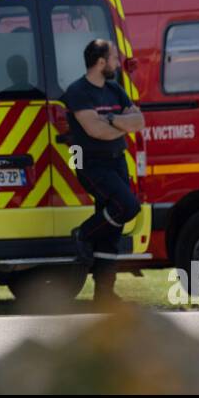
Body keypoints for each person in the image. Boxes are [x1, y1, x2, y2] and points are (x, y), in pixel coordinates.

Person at [63, 38, 146, 306]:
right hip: (90, 163)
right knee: (128, 206)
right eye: (113, 58)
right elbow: (94, 130)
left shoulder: (115, 89)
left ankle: (104, 294)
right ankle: (84, 234)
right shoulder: (77, 92)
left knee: (111, 229)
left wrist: (111, 120)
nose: (117, 63)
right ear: (101, 62)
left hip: (116, 160)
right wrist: (121, 124)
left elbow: (139, 121)